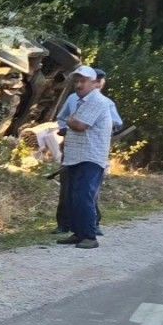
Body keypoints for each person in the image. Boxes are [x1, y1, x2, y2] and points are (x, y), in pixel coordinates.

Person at [52, 68, 123, 235]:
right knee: (72, 193)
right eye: (76, 81)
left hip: (91, 154)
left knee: (86, 195)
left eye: (83, 81)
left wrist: (74, 123)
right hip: (73, 153)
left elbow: (80, 125)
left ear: (95, 83)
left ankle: (90, 232)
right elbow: (64, 119)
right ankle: (73, 229)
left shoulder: (100, 101)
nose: (78, 85)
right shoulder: (74, 99)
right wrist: (67, 126)